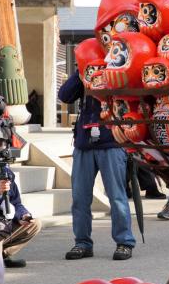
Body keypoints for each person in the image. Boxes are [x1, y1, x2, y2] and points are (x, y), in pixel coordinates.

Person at [58, 70, 136, 260]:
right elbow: (65, 95)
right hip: (84, 143)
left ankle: (124, 242)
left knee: (117, 196)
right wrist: (81, 72)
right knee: (79, 198)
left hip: (112, 142)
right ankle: (82, 243)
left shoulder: (119, 67)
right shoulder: (85, 72)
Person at [0, 128, 41, 269]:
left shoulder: (5, 170)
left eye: (0, 145)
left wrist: (23, 215)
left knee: (34, 224)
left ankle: (0, 255)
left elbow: (16, 202)